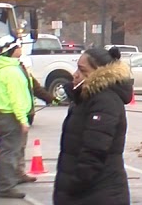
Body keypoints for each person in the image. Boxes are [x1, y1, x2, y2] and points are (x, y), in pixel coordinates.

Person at [52, 46, 133, 205]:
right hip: (86, 191)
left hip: (97, 192)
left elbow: (94, 150)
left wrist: (74, 184)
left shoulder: (105, 101)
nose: (75, 75)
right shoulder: (85, 98)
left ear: (99, 73)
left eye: (82, 71)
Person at [0, 36, 31, 198]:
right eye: (18, 46)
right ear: (11, 50)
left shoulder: (0, 69)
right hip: (11, 117)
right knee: (10, 152)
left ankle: (3, 183)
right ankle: (6, 186)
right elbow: (16, 98)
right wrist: (23, 120)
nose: (21, 48)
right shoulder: (12, 72)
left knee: (4, 151)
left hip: (3, 115)